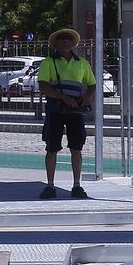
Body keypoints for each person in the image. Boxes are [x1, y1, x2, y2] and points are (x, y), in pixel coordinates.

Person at [36, 28, 97, 200]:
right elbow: (43, 86)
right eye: (61, 38)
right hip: (55, 110)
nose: (65, 41)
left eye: (68, 38)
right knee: (52, 148)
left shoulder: (82, 63)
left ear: (73, 43)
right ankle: (50, 185)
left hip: (75, 112)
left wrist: (86, 98)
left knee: (76, 148)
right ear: (55, 43)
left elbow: (92, 84)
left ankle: (77, 185)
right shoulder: (49, 62)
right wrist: (63, 97)